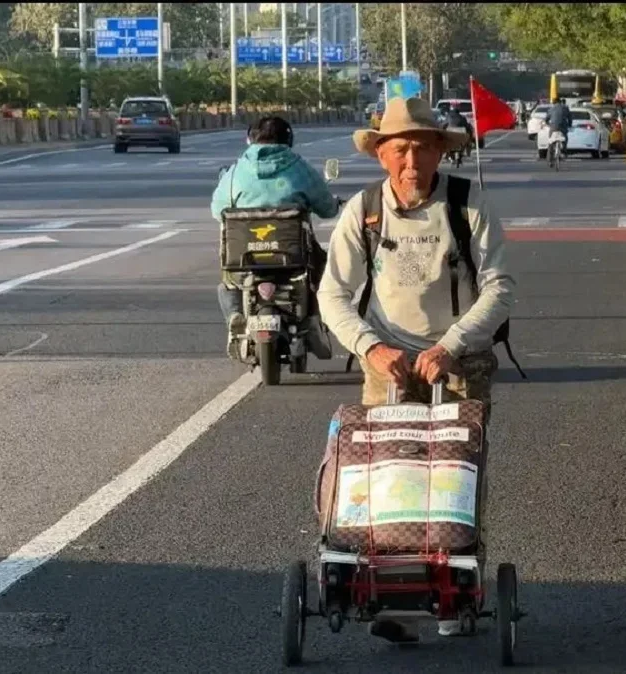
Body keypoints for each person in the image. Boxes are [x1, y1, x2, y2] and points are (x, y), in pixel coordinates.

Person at [316, 96, 514, 641]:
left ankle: (455, 597)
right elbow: (332, 293)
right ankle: (392, 595)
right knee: (391, 477)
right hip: (389, 358)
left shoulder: (466, 205)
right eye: (399, 150)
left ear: (438, 153)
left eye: (421, 150)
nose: (411, 163)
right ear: (381, 154)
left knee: (453, 479)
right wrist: (369, 348)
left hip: (459, 357)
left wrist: (451, 344)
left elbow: (500, 287)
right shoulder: (364, 210)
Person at [210, 116, 340, 360]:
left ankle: (234, 316)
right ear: (288, 139)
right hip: (293, 258)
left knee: (227, 283)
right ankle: (313, 319)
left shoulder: (236, 170)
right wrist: (334, 205)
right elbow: (327, 208)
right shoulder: (299, 167)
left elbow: (218, 210)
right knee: (323, 270)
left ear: (249, 139)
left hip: (243, 260)